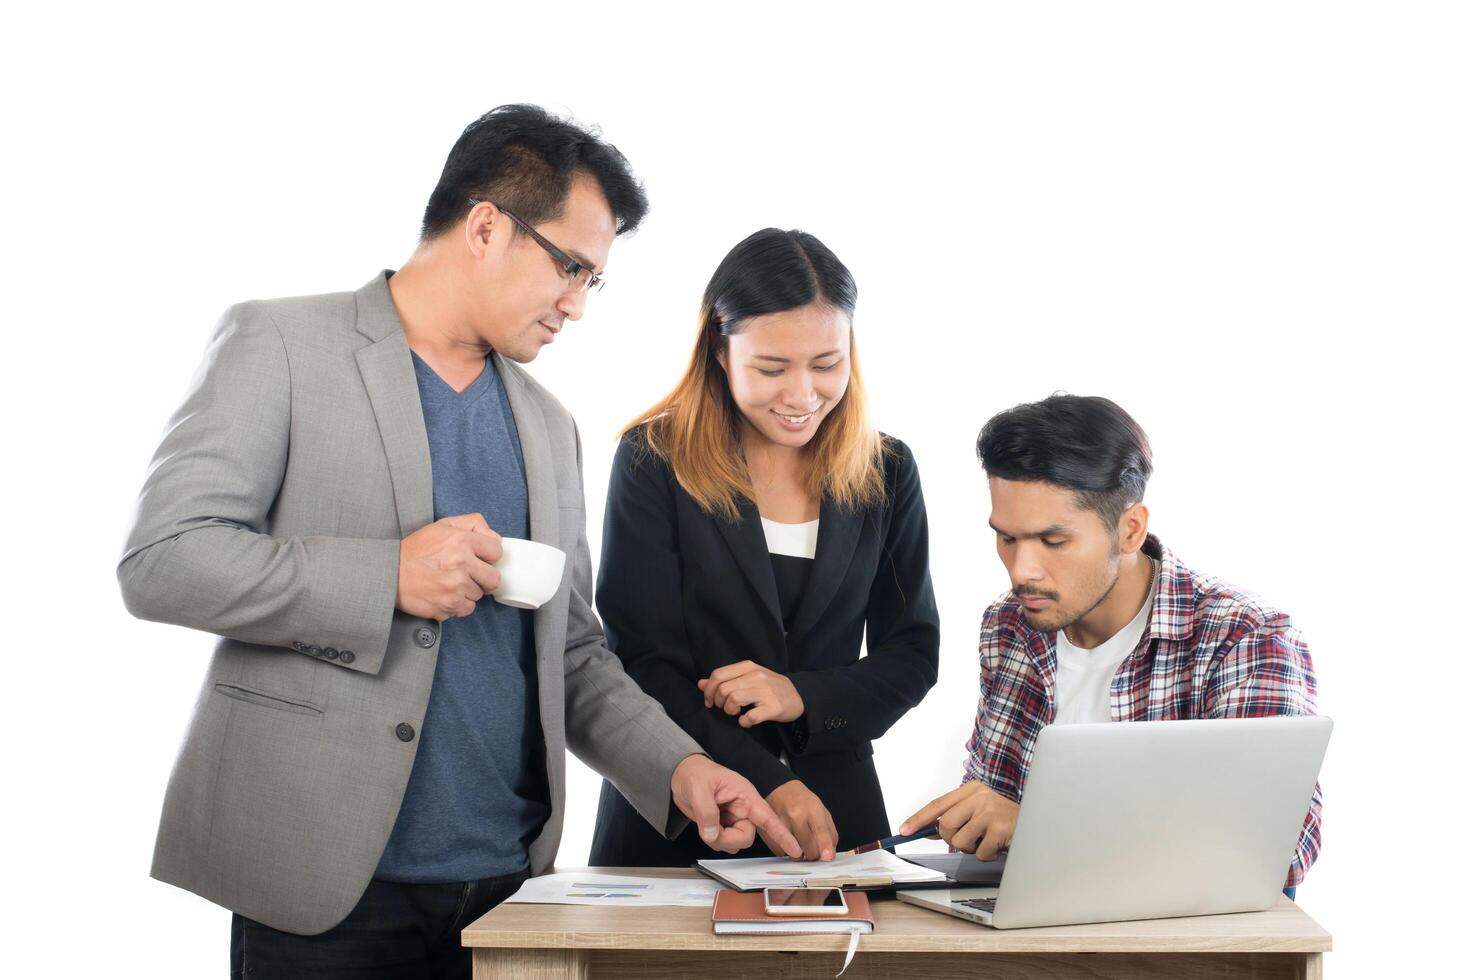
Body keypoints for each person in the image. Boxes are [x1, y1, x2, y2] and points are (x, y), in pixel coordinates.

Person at [117, 104, 799, 978]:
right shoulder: (282, 343)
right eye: (571, 269)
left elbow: (575, 652)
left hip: (507, 888)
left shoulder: (551, 427)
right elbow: (163, 560)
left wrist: (678, 768)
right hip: (324, 881)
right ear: (485, 226)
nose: (576, 307)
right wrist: (384, 577)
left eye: (594, 283)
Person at [588, 228, 941, 867]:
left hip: (837, 817)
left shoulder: (887, 470)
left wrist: (801, 696)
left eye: (827, 365)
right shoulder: (654, 461)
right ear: (720, 353)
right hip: (681, 811)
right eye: (772, 368)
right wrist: (770, 780)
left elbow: (912, 654)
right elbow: (642, 661)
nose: (802, 396)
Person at [900, 394, 1322, 892]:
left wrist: (1041, 829)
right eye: (1007, 538)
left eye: (1052, 542)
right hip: (1036, 935)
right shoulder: (1009, 625)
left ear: (1130, 529)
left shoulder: (1244, 637)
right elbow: (996, 818)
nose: (1021, 570)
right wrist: (973, 823)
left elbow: (1279, 849)